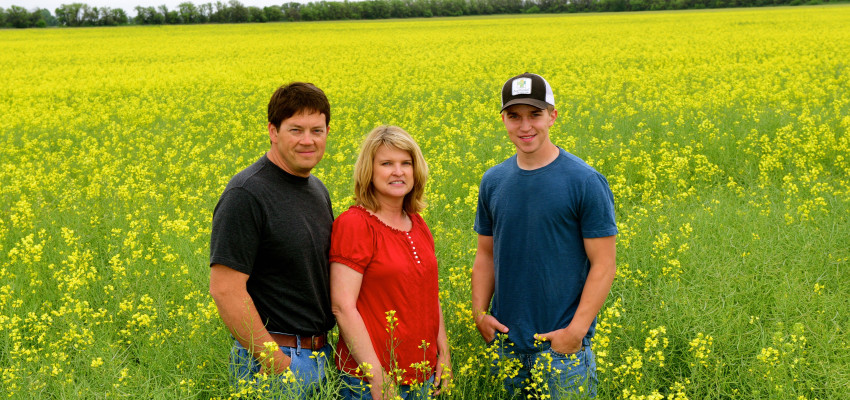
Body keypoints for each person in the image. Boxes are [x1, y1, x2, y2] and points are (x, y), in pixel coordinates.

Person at [471, 73, 618, 398]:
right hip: (506, 346)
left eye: (534, 114)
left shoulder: (585, 181)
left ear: (552, 115)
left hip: (561, 351)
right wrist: (480, 313)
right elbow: (486, 254)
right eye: (514, 116)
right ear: (504, 120)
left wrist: (575, 333)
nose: (525, 126)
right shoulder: (493, 181)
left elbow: (604, 264)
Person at [208, 82, 336, 398]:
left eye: (316, 131)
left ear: (327, 132)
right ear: (273, 131)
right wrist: (278, 365)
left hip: (321, 357)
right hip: (276, 362)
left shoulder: (317, 190)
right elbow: (225, 290)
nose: (308, 141)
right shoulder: (246, 194)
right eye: (296, 130)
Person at [330, 126, 452, 400]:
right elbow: (342, 306)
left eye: (405, 163)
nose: (398, 171)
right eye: (387, 163)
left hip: (424, 375)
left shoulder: (417, 223)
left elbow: (430, 295)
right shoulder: (355, 224)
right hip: (370, 384)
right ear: (369, 171)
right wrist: (377, 377)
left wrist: (443, 353)